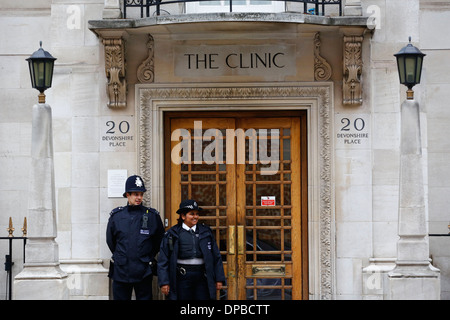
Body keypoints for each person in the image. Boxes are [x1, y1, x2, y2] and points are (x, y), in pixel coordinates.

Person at [106, 175, 165, 300]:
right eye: (135, 194)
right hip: (121, 269)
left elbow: (159, 240)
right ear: (127, 195)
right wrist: (123, 255)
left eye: (141, 194)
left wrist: (146, 256)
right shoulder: (116, 216)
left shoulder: (152, 216)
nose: (139, 198)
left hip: (143, 270)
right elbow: (110, 241)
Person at [157, 199, 226, 300]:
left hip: (202, 277)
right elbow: (163, 259)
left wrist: (219, 279)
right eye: (192, 214)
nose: (195, 217)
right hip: (181, 278)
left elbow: (216, 256)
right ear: (183, 216)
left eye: (197, 214)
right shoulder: (172, 234)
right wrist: (164, 282)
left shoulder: (206, 232)